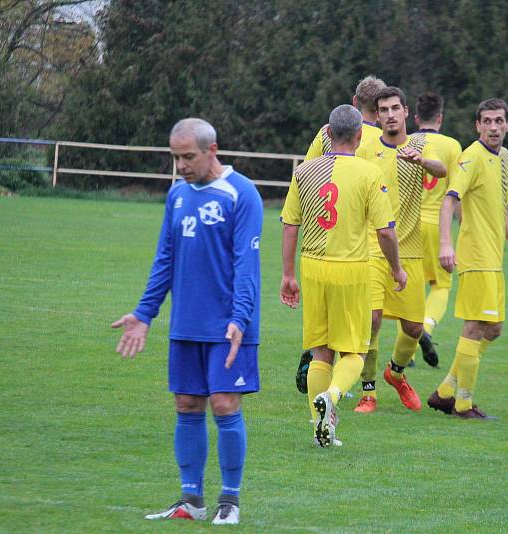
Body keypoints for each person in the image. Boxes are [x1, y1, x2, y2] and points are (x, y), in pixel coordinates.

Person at [112, 118, 263, 525]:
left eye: (188, 157)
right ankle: (190, 499)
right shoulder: (177, 195)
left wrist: (240, 318)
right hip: (187, 323)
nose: (180, 165)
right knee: (186, 404)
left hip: (230, 327)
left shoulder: (241, 194)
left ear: (212, 150)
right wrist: (144, 314)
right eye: (175, 157)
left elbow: (246, 266)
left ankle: (229, 501)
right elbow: (165, 258)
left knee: (225, 404)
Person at [280, 104, 406, 447]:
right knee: (354, 352)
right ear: (361, 134)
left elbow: (290, 223)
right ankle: (333, 396)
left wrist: (288, 274)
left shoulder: (305, 171)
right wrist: (397, 268)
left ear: (328, 134)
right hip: (350, 268)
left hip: (312, 265)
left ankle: (322, 428)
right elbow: (385, 232)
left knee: (320, 351)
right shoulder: (368, 173)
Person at [428, 97, 508, 419]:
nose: (493, 127)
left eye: (499, 121)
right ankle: (463, 404)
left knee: (495, 328)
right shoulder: (470, 157)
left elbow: (503, 210)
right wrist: (446, 244)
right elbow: (449, 201)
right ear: (477, 126)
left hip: (494, 259)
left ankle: (445, 391)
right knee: (474, 326)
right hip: (474, 256)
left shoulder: (507, 160)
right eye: (486, 121)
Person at [354, 86, 446, 413]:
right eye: (384, 110)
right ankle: (368, 393)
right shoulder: (366, 151)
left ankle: (395, 372)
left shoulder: (420, 145)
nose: (390, 114)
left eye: (395, 108)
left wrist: (423, 161)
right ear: (377, 116)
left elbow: (442, 171)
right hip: (373, 248)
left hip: (410, 250)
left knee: (414, 328)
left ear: (406, 112)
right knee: (373, 319)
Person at [295, 75, 387, 393]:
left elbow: (304, 181)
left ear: (354, 99)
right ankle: (360, 388)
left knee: (332, 339)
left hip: (319, 245)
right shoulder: (381, 140)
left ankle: (332, 391)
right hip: (363, 245)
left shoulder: (325, 133)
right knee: (364, 328)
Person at [413, 91, 462, 367]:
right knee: (441, 285)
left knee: (409, 286)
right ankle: (426, 327)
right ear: (440, 118)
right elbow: (457, 192)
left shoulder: (408, 142)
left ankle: (406, 351)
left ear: (416, 117)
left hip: (408, 225)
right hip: (437, 224)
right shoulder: (453, 147)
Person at [303, 75, 386, 161]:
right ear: (381, 107)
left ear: (355, 101)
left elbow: (306, 167)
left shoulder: (328, 131)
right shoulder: (384, 140)